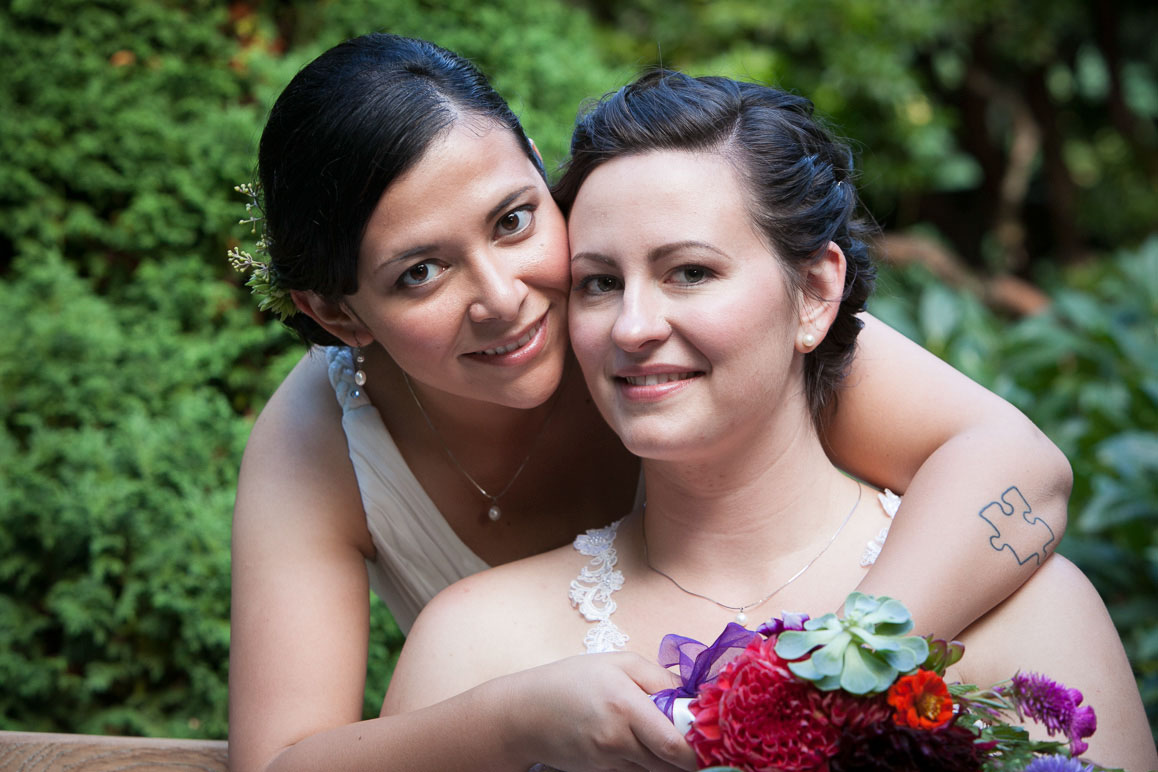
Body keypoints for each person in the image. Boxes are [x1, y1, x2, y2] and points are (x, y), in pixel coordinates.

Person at [228, 34, 1076, 772]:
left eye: (516, 219)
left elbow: (1020, 469)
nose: (504, 296)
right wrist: (511, 716)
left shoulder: (678, 326)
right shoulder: (321, 441)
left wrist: (831, 676)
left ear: (535, 166)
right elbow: (278, 760)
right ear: (337, 314)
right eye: (419, 272)